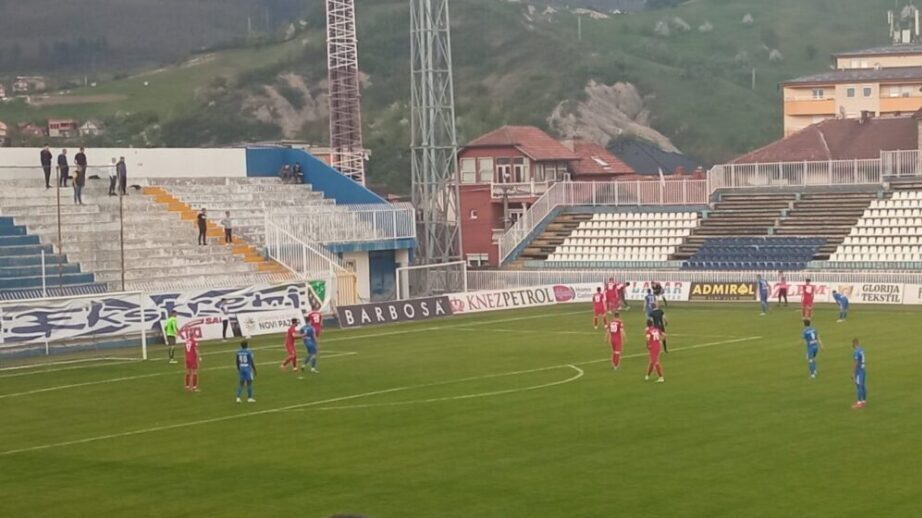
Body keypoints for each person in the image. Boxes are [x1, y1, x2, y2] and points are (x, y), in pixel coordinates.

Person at [852, 338, 867, 409]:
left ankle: (859, 403)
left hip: (859, 371)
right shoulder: (862, 350)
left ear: (854, 343)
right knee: (863, 385)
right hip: (863, 369)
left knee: (858, 386)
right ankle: (864, 401)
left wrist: (853, 373)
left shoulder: (856, 351)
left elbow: (856, 363)